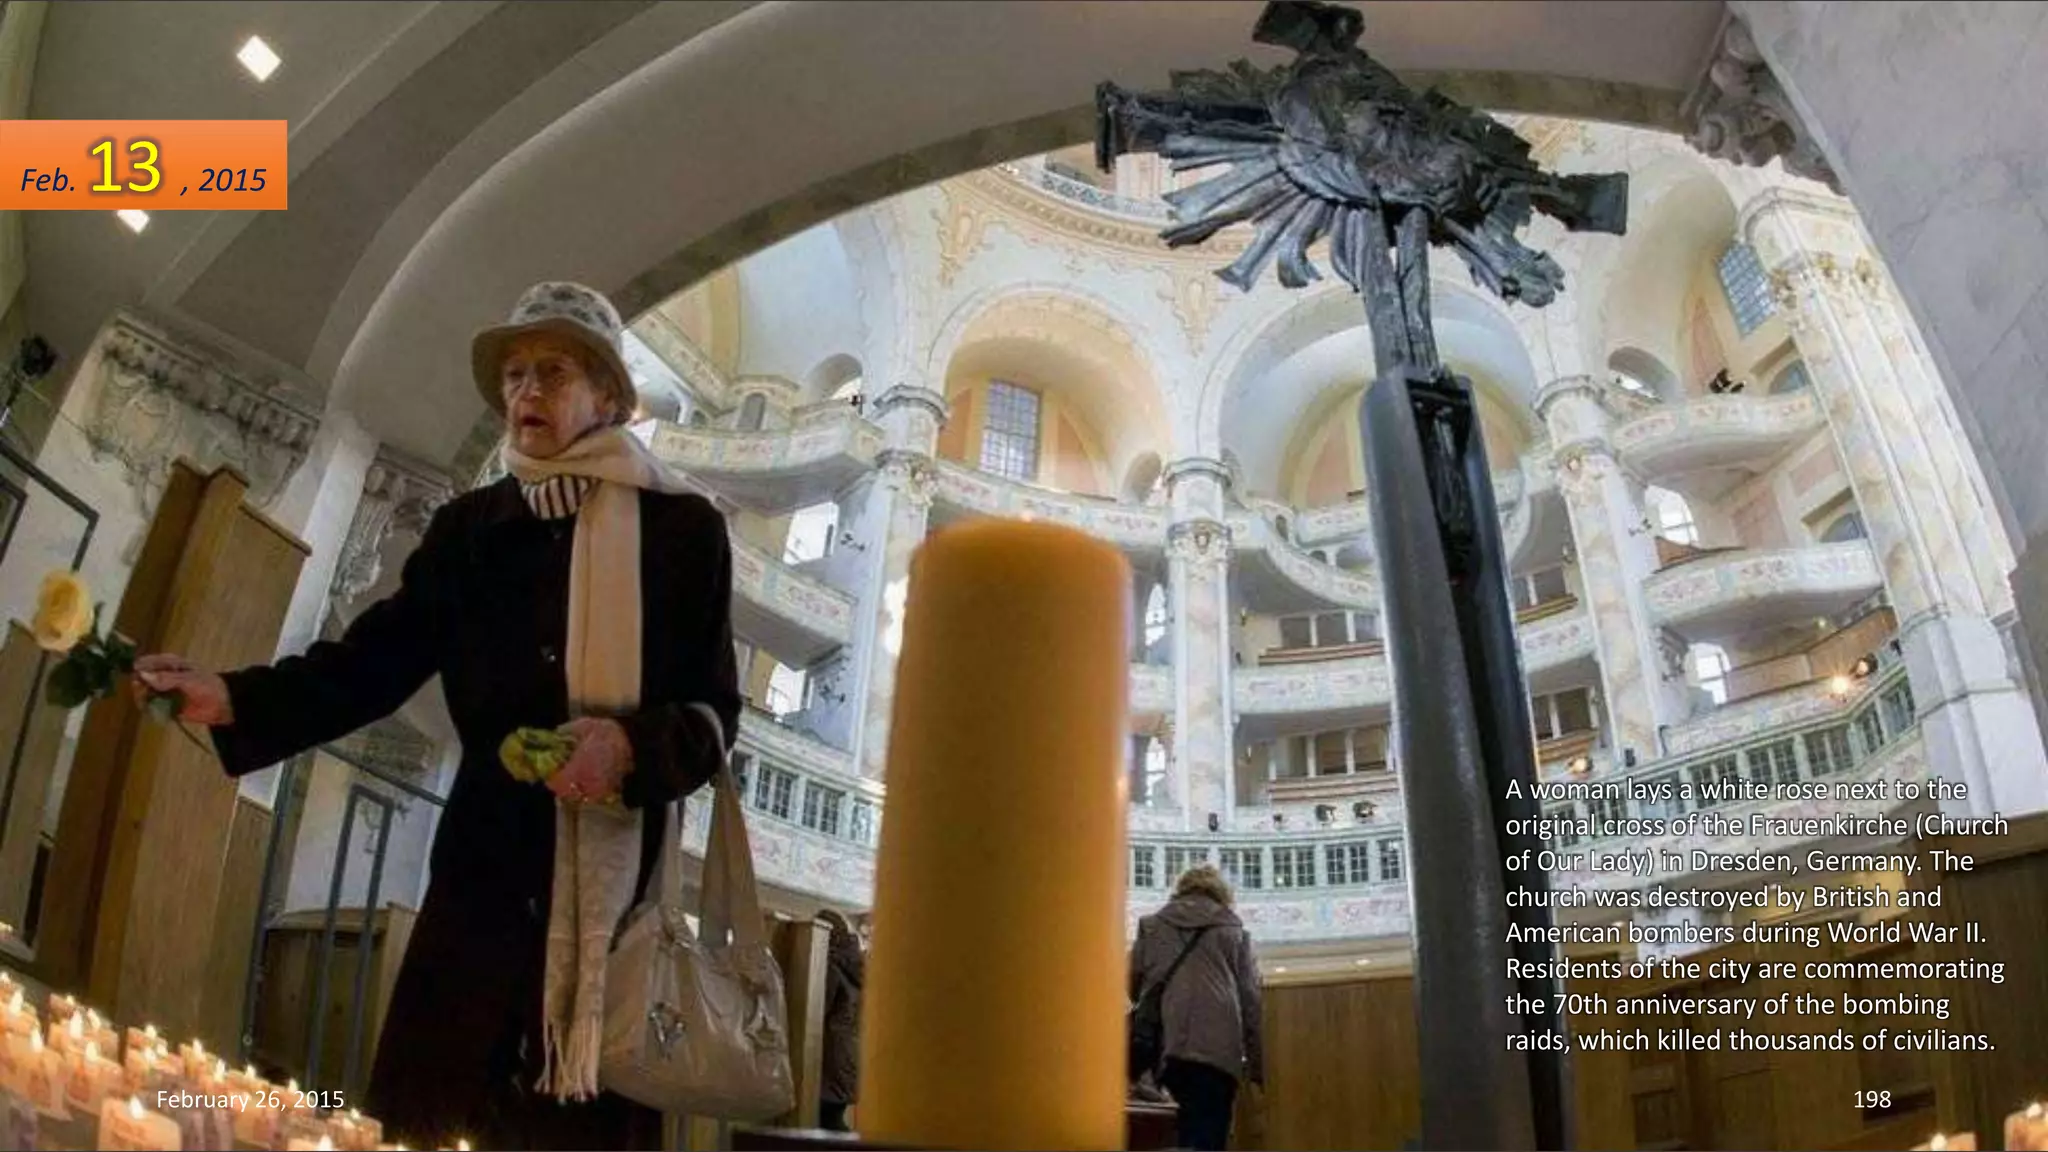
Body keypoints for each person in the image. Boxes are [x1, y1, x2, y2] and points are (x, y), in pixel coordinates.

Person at [134, 282, 740, 1151]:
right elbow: (371, 664)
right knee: (424, 1123)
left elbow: (714, 711)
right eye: (514, 374)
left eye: (553, 371)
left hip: (611, 924)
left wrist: (631, 748)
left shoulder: (683, 531)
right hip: (478, 892)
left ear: (608, 394)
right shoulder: (469, 530)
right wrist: (235, 696)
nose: (525, 391)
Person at [1128, 863, 1264, 1151]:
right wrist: (1256, 1064)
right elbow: (1250, 1001)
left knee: (1175, 1131)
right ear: (1221, 894)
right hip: (1219, 1053)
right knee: (1209, 1135)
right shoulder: (1235, 932)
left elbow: (1133, 985)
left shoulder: (1152, 926)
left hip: (1169, 1049)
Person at [817, 909, 865, 1132]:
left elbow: (815, 1009)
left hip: (829, 1058)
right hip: (850, 1056)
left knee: (822, 1122)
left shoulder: (831, 965)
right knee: (832, 1118)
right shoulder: (858, 966)